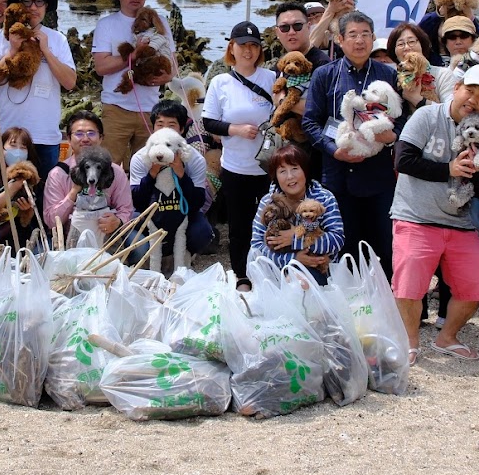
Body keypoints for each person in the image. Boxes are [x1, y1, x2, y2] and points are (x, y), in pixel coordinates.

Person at [390, 64, 479, 362]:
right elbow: (403, 160)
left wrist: (478, 169)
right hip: (416, 215)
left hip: (460, 221)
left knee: (474, 286)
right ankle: (411, 341)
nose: (473, 100)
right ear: (456, 88)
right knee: (409, 283)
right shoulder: (427, 116)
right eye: (469, 90)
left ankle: (447, 337)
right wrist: (448, 169)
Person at [302, 11, 403, 275]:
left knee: (385, 247)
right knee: (343, 248)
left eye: (365, 34)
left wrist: (391, 137)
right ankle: (347, 310)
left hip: (379, 175)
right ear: (340, 39)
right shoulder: (325, 75)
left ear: (373, 38)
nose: (359, 41)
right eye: (353, 35)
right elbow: (310, 123)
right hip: (338, 177)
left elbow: (404, 120)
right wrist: (335, 151)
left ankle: (392, 308)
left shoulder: (388, 75)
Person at [203, 21, 278, 281]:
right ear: (231, 48)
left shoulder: (271, 78)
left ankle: (271, 273)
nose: (248, 51)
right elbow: (209, 121)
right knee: (239, 226)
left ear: (260, 50)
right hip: (235, 167)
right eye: (242, 45)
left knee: (273, 222)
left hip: (269, 167)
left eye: (254, 46)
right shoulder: (220, 83)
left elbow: (284, 111)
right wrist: (236, 129)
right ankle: (242, 276)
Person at [0, 0, 78, 174]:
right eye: (27, 2)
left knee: (44, 198)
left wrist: (46, 52)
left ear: (46, 6)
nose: (33, 7)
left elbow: (70, 82)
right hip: (8, 134)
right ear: (18, 5)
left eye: (39, 2)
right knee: (6, 196)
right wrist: (11, 50)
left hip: (45, 136)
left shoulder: (57, 38)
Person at [92, 0, 175, 169]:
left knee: (147, 170)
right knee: (106, 168)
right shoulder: (106, 24)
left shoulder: (160, 22)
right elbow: (101, 67)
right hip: (115, 109)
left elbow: (173, 65)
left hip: (151, 110)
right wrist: (134, 55)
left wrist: (166, 77)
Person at [127, 99, 211, 273]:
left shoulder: (194, 159)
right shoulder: (140, 158)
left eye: (171, 125)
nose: (164, 130)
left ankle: (184, 255)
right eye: (160, 125)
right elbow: (137, 202)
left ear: (181, 130)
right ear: (153, 129)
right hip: (150, 213)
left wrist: (181, 173)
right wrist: (152, 174)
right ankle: (148, 258)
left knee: (202, 233)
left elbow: (197, 204)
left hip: (183, 212)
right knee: (130, 227)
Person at [43, 113, 137, 251]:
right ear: (69, 139)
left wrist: (118, 221)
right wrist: (73, 192)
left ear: (101, 138)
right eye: (79, 134)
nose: (85, 139)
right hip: (68, 240)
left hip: (107, 236)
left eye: (91, 133)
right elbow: (51, 221)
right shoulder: (58, 173)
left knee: (141, 247)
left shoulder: (115, 171)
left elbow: (126, 209)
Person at [248, 144, 344, 277]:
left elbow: (337, 239)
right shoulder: (268, 202)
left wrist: (298, 239)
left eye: (294, 169)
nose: (290, 177)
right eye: (282, 171)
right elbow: (257, 244)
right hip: (277, 270)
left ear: (305, 170)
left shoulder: (324, 198)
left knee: (302, 282)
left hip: (319, 268)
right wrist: (293, 258)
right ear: (275, 176)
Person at [0, 126, 43, 250]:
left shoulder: (30, 173)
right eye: (13, 145)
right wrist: (13, 188)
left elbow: (26, 222)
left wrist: (27, 211)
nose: (18, 151)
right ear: (1, 147)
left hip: (12, 238)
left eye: (23, 148)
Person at [270, 1, 336, 67]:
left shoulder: (323, 65)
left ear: (308, 27)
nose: (291, 32)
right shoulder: (277, 70)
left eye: (297, 25)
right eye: (284, 27)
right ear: (277, 32)